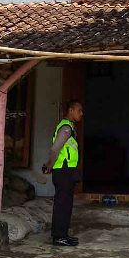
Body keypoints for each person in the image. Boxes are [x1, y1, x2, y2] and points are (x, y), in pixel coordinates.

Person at [42, 100, 83, 246]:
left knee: (66, 204)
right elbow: (55, 149)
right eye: (79, 110)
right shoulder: (66, 127)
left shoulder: (69, 127)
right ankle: (59, 236)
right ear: (71, 110)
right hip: (64, 171)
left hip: (67, 171)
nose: (81, 113)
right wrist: (49, 165)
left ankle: (63, 235)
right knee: (62, 204)